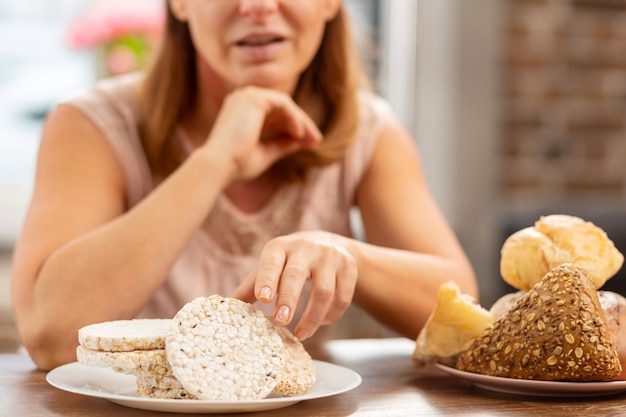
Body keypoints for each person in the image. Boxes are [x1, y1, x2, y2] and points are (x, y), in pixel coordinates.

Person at [10, 0, 477, 371]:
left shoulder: (369, 130)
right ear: (179, 4)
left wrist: (342, 251)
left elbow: (463, 316)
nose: (257, 6)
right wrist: (216, 161)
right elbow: (51, 335)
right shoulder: (92, 125)